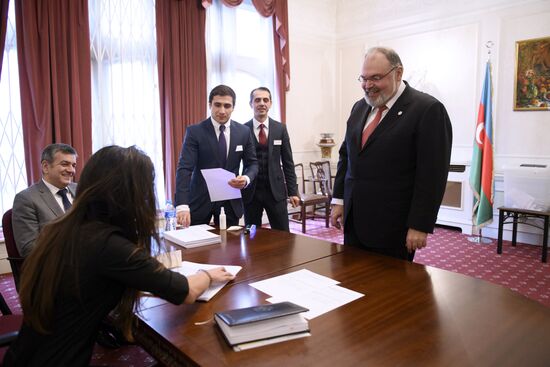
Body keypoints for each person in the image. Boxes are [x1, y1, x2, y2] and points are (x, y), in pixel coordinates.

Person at [2, 146, 235, 367]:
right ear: (128, 195)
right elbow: (185, 290)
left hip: (25, 356)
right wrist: (208, 274)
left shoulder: (67, 227)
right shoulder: (108, 245)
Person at [330, 47, 452, 261]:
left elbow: (432, 175)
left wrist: (419, 225)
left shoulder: (427, 109)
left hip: (394, 228)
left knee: (389, 291)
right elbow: (346, 156)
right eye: (364, 78)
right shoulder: (359, 107)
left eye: (376, 78)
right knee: (351, 282)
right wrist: (339, 200)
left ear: (398, 73)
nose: (368, 86)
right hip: (354, 221)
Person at [175, 84, 258, 227]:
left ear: (233, 107)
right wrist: (182, 205)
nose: (222, 110)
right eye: (217, 105)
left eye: (227, 106)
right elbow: (184, 168)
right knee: (198, 247)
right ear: (209, 105)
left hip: (230, 201)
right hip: (200, 200)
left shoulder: (244, 132)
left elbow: (253, 164)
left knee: (231, 247)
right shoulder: (194, 132)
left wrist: (245, 178)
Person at [242, 87, 300, 231]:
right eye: (257, 100)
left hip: (276, 193)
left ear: (270, 104)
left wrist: (293, 191)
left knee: (282, 235)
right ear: (251, 104)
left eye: (265, 100)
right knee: (251, 236)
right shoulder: (242, 130)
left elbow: (288, 163)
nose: (262, 103)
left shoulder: (280, 129)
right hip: (251, 193)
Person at [12, 143, 78, 257]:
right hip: (56, 267)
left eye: (74, 165)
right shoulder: (26, 199)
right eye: (65, 164)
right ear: (45, 167)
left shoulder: (81, 189)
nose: (71, 170)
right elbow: (29, 248)